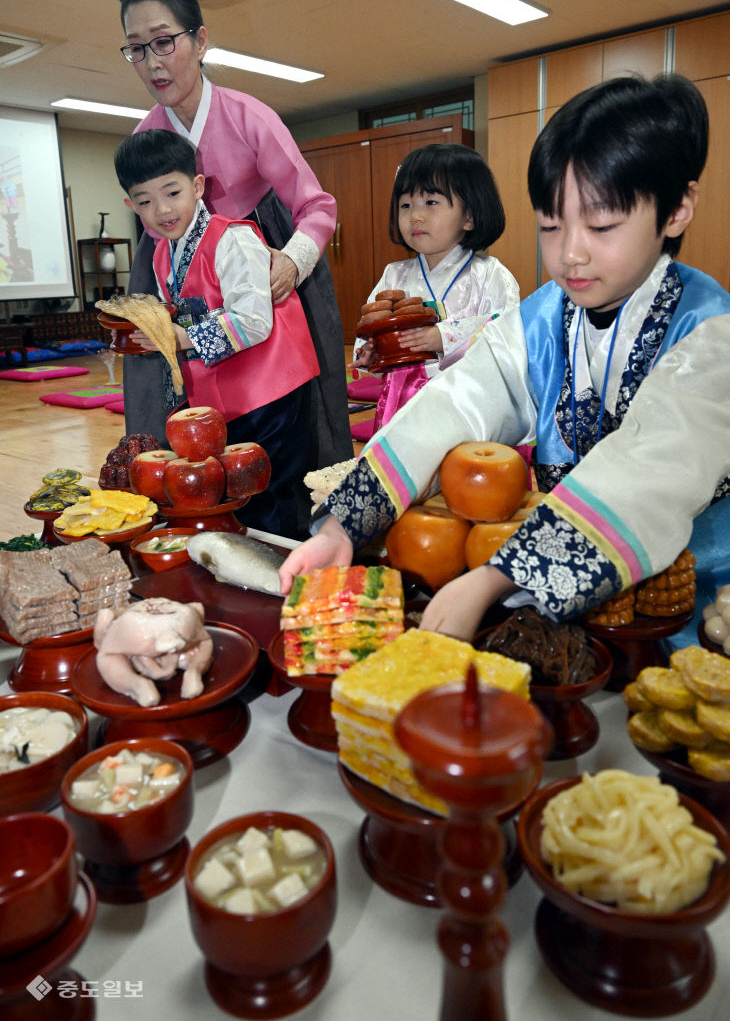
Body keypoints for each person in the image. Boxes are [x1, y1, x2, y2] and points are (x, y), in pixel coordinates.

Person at [279, 74, 730, 642]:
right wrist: (345, 526)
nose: (569, 252)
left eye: (602, 224)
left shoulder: (710, 330)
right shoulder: (545, 316)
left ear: (676, 210)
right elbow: (456, 402)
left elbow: (651, 473)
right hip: (545, 584)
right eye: (551, 223)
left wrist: (496, 577)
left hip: (692, 601)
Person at [117, 0, 353, 499]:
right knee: (181, 416)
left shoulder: (250, 118)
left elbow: (317, 207)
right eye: (136, 48)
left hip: (263, 260)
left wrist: (291, 263)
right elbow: (155, 227)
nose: (152, 62)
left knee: (284, 425)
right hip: (184, 277)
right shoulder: (144, 139)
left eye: (164, 41)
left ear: (200, 41)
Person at [114, 129, 319, 536]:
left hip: (271, 389)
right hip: (225, 396)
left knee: (272, 494)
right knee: (237, 495)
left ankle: (285, 580)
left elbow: (254, 321)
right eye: (145, 201)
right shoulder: (161, 254)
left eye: (172, 193)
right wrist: (155, 334)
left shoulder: (234, 238)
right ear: (130, 204)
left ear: (197, 186)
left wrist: (179, 338)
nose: (161, 210)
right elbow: (180, 319)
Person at [352, 143, 519, 431]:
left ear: (469, 216)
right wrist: (370, 352)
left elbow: (508, 335)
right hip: (401, 402)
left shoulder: (489, 274)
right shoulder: (394, 275)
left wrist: (443, 337)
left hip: (467, 407)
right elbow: (373, 327)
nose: (415, 216)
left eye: (431, 203)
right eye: (406, 205)